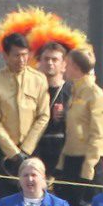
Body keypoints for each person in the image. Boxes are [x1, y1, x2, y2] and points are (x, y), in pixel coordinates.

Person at [0, 32, 50, 203]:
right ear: (5, 56)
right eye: (16, 55)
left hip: (32, 150)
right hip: (5, 155)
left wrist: (26, 150)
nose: (21, 60)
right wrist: (13, 152)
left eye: (24, 55)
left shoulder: (39, 79)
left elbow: (44, 115)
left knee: (34, 198)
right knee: (4, 200)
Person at [55, 49, 103, 206]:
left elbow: (98, 135)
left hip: (87, 164)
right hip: (71, 160)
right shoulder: (75, 92)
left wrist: (88, 168)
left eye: (67, 64)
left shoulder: (95, 94)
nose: (64, 68)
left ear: (76, 67)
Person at [33, 41, 71, 175]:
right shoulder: (32, 90)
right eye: (46, 59)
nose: (50, 63)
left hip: (62, 154)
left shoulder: (72, 91)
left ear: (64, 65)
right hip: (36, 151)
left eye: (55, 59)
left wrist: (65, 115)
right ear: (40, 62)